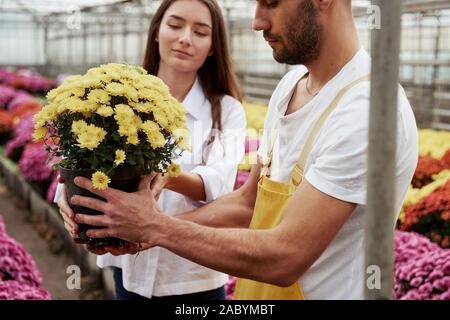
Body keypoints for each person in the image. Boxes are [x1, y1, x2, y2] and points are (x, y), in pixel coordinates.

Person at [69, 0, 419, 299]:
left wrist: (154, 227)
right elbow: (246, 204)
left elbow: (285, 256)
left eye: (271, 2)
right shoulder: (291, 87)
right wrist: (144, 235)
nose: (257, 21)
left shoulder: (366, 110)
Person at [55, 0, 247, 300]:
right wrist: (67, 196)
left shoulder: (227, 110)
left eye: (200, 31)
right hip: (127, 266)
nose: (185, 38)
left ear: (212, 47)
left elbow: (220, 184)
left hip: (192, 276)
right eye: (175, 25)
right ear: (156, 31)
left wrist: (163, 175)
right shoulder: (114, 95)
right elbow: (82, 156)